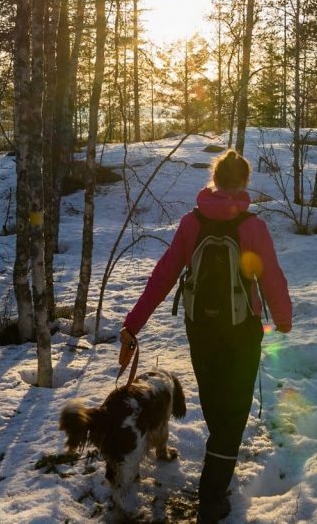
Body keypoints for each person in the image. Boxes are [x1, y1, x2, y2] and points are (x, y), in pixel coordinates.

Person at [119, 149, 292, 523]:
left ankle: (217, 470)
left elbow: (163, 276)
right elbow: (272, 278)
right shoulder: (252, 227)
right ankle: (211, 499)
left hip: (200, 330)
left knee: (217, 410)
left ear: (214, 179)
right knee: (233, 417)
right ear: (244, 182)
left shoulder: (191, 223)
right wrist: (283, 318)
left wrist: (133, 324)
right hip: (243, 333)